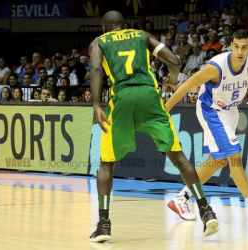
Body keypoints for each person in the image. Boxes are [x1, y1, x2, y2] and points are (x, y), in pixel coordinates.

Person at [89, 10, 219, 243]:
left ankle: (103, 224)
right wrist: (171, 78)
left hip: (121, 100)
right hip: (150, 97)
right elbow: (175, 60)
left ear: (104, 28)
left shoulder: (99, 42)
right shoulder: (141, 35)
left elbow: (97, 70)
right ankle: (205, 210)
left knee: (106, 163)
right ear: (125, 25)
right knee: (178, 157)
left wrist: (97, 104)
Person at [164, 30, 248, 224]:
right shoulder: (215, 67)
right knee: (234, 158)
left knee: (218, 161)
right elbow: (187, 84)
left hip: (230, 111)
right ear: (231, 45)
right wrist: (165, 110)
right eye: (236, 46)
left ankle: (181, 198)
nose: (240, 51)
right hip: (211, 111)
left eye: (244, 47)